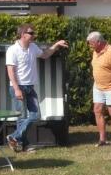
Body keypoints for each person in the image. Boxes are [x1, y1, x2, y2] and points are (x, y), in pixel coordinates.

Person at [5, 24, 68, 152]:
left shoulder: (33, 47)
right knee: (22, 117)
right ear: (23, 35)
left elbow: (45, 55)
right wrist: (17, 89)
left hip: (30, 88)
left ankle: (14, 137)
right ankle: (22, 145)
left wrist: (56, 45)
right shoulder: (12, 50)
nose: (34, 35)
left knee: (35, 115)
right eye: (31, 33)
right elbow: (10, 71)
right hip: (19, 87)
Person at [86, 31, 111, 147]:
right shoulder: (95, 51)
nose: (89, 45)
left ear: (98, 42)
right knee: (97, 110)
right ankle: (102, 139)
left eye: (91, 43)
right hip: (98, 86)